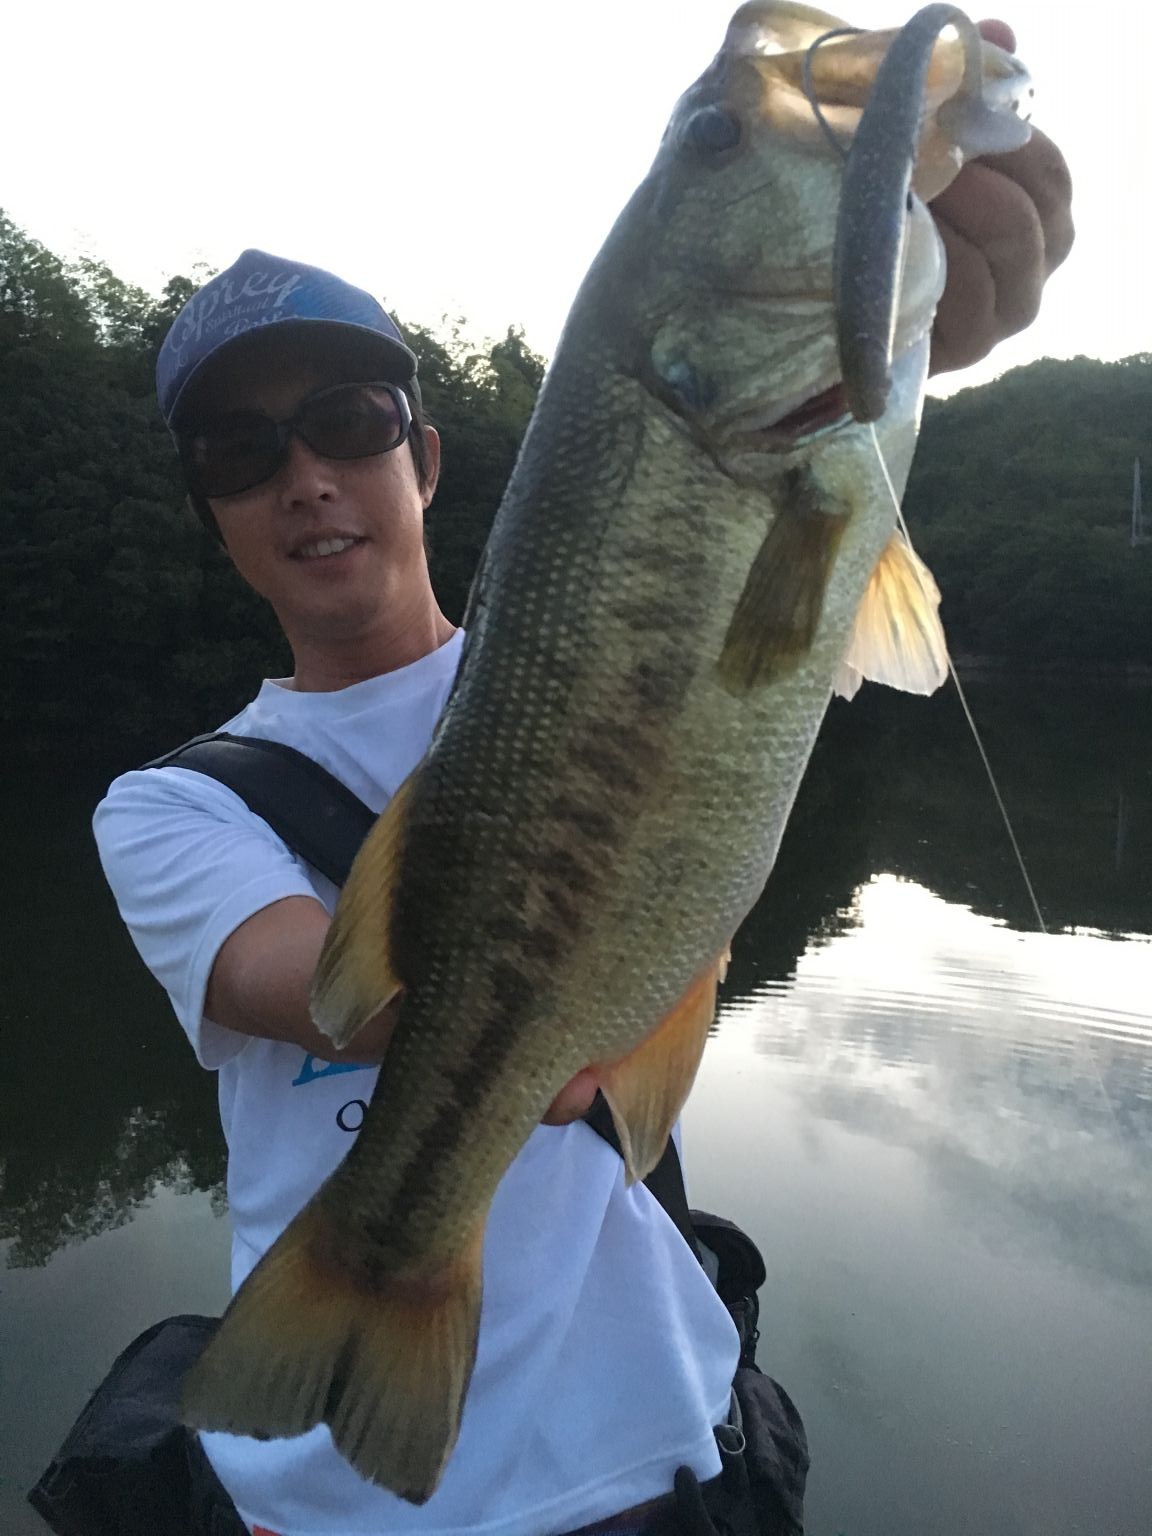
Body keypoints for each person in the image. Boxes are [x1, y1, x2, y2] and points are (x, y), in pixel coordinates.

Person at [90, 51, 1073, 1536]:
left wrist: (909, 342)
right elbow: (349, 997)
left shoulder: (598, 599)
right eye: (244, 451)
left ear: (422, 458)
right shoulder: (166, 810)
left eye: (349, 423)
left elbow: (791, 557)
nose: (306, 477)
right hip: (343, 1510)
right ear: (216, 512)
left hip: (667, 1446)